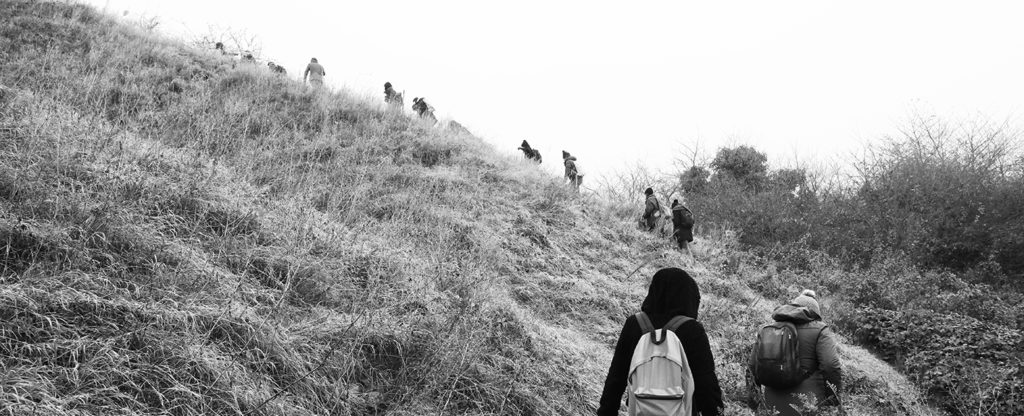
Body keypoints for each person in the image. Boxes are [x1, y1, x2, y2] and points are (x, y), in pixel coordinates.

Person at [598, 268, 724, 416]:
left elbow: (616, 378)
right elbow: (706, 384)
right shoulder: (692, 330)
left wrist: (606, 411)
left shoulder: (634, 324)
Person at [748, 290, 842, 416]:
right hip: (806, 405)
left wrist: (754, 403)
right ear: (814, 313)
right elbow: (830, 365)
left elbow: (752, 368)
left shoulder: (768, 329)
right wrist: (833, 400)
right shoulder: (820, 329)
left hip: (772, 404)